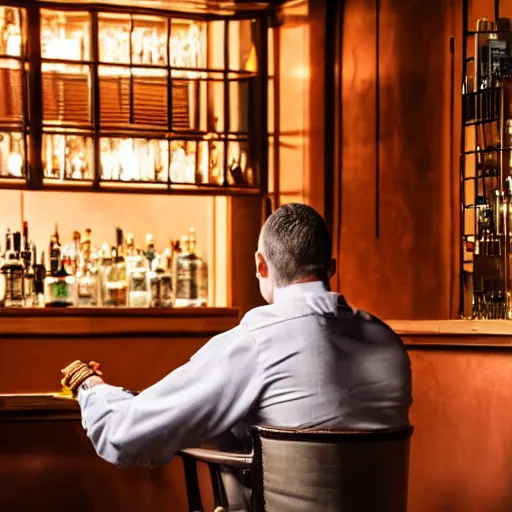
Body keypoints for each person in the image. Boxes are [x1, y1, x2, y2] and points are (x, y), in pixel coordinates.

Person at [61, 203, 412, 509]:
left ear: (261, 265)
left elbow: (122, 435)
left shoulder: (256, 342)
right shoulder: (388, 342)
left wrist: (90, 387)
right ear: (330, 267)